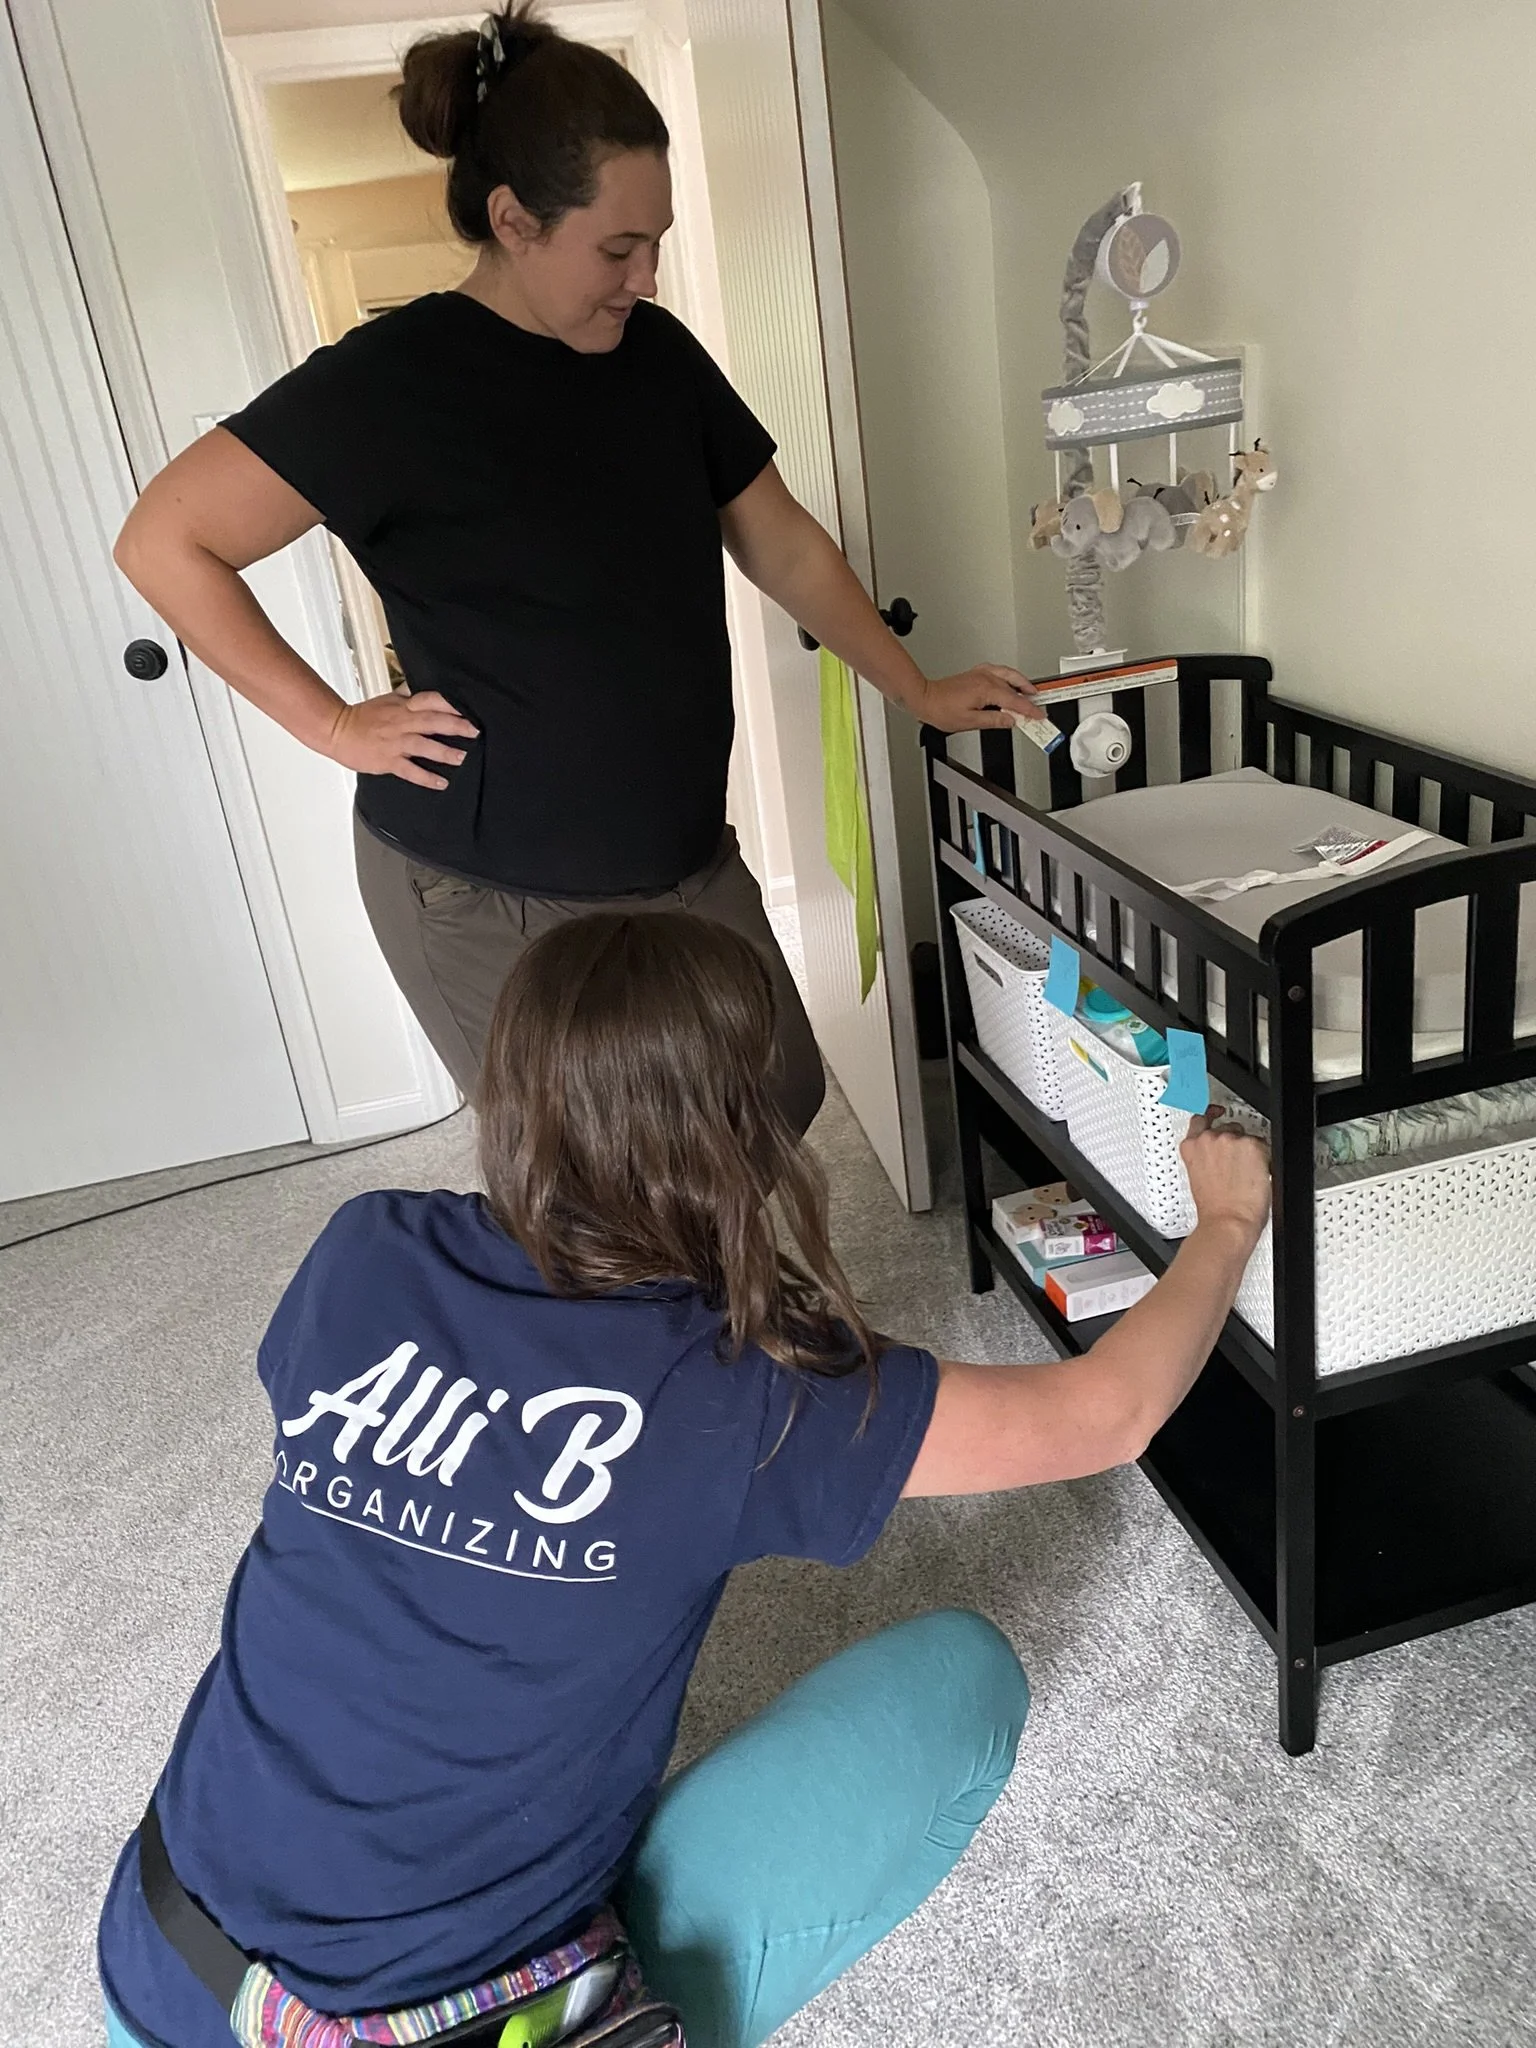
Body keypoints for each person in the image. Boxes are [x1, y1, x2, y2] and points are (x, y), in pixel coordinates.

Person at [97, 912, 1272, 2048]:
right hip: (435, 2030)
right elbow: (1105, 1416)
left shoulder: (363, 1247)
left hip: (156, 1966)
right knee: (964, 1672)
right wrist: (1225, 1216)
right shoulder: (743, 1397)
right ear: (741, 1133)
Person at [111, 4, 1042, 1136]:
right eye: (617, 248)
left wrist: (917, 687)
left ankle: (709, 1307)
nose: (646, 277)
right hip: (488, 882)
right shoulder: (390, 385)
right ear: (513, 219)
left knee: (776, 1094)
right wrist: (333, 724)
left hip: (681, 852)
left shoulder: (660, 360)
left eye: (656, 243)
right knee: (593, 1183)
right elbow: (165, 539)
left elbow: (781, 539)